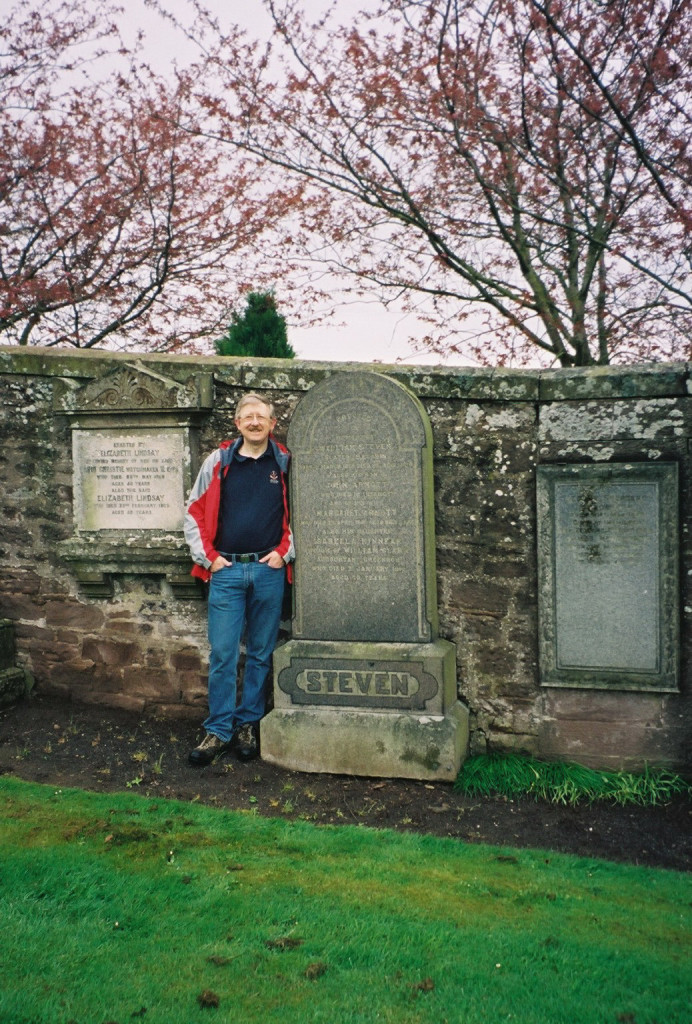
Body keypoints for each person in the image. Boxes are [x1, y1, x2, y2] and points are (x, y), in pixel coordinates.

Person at [184, 393, 294, 765]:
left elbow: (302, 513)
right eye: (247, 417)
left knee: (261, 654)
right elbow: (193, 511)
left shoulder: (284, 463)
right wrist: (210, 559)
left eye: (261, 417)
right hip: (227, 572)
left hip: (268, 572)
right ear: (237, 423)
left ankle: (248, 725)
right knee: (224, 655)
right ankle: (217, 730)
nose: (254, 422)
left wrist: (284, 552)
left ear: (271, 424)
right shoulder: (218, 462)